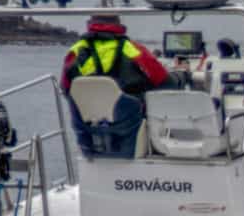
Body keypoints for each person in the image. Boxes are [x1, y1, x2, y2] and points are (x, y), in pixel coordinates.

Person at [60, 11, 171, 158]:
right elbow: (164, 81)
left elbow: (66, 88)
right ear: (119, 24)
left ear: (90, 24)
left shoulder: (74, 52)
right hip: (128, 130)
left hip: (88, 133)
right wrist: (181, 76)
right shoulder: (132, 49)